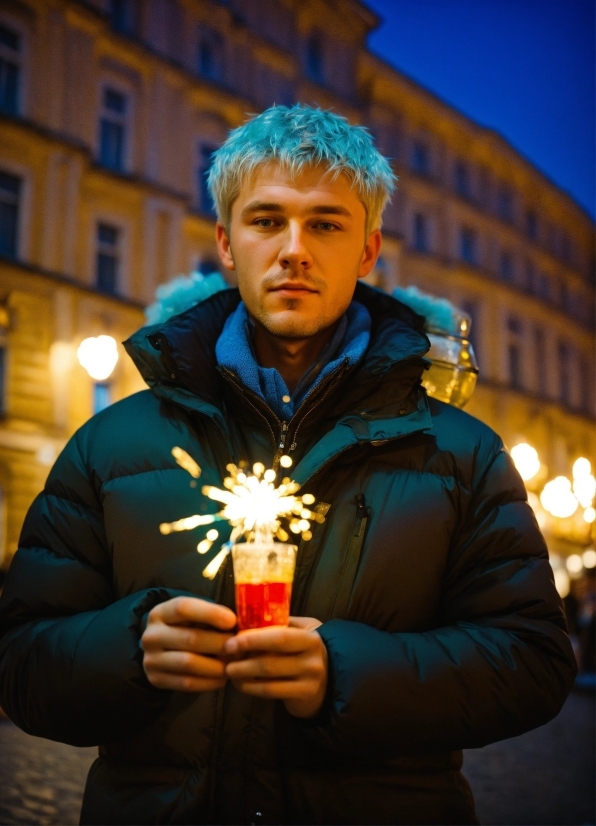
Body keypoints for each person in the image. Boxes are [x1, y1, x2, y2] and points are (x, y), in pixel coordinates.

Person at [0, 105, 576, 826]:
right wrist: (127, 649)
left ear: (368, 250)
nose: (294, 249)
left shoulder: (458, 451)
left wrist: (346, 673)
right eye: (267, 220)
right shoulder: (111, 444)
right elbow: (19, 662)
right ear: (227, 242)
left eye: (326, 225)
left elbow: (531, 664)